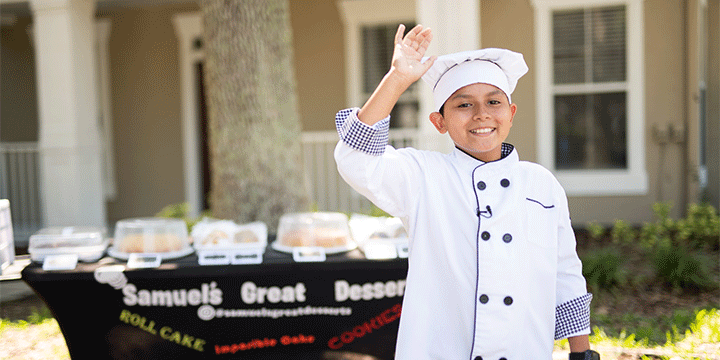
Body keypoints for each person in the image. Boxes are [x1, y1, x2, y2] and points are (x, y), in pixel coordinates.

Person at [334, 24, 599, 360]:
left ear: (511, 114)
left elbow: (565, 275)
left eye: (493, 101)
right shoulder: (423, 176)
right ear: (439, 121)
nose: (482, 114)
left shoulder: (541, 184)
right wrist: (398, 79)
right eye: (463, 105)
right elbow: (356, 159)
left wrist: (583, 354)